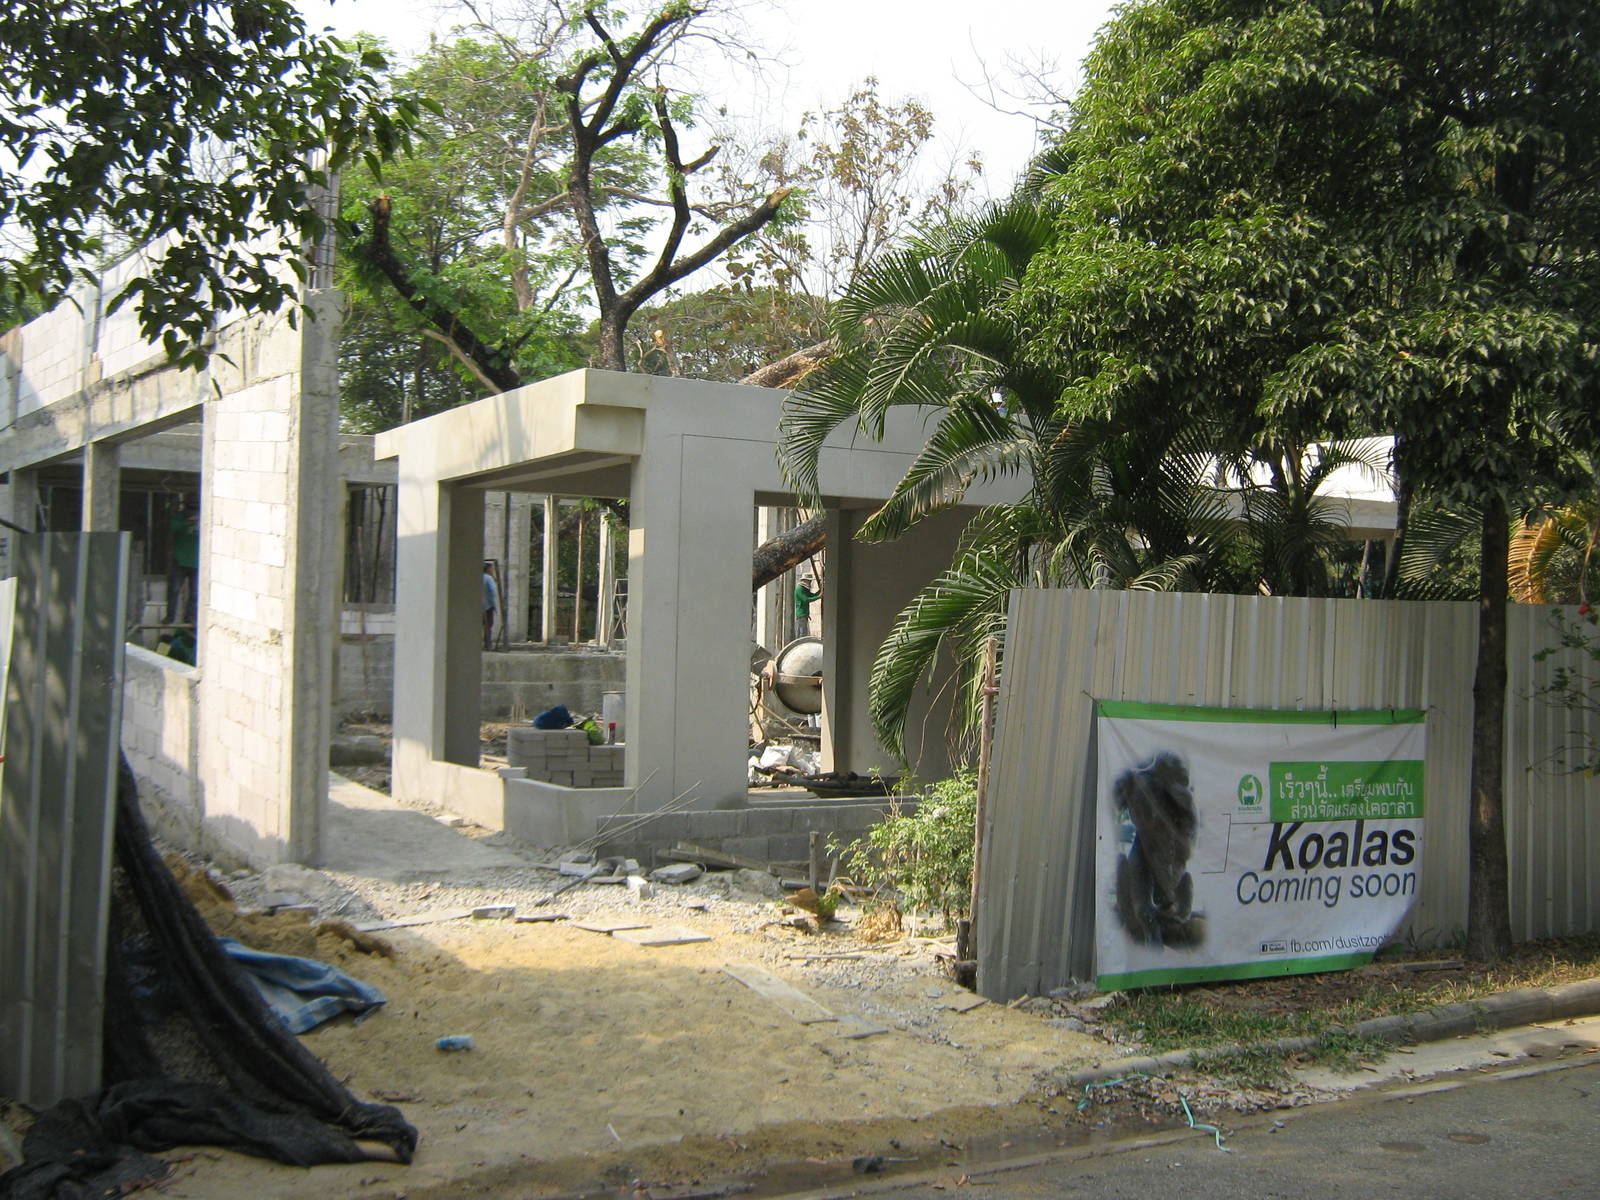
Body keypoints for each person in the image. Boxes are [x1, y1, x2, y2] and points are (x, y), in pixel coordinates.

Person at [166, 498, 199, 625]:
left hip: (197, 562)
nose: (192, 511)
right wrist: (187, 523)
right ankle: (170, 616)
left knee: (195, 593)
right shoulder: (180, 517)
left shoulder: (204, 518)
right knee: (174, 590)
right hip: (180, 560)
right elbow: (173, 526)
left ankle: (190, 617)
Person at [482, 562, 499, 650]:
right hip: (487, 605)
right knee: (488, 625)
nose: (493, 571)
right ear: (488, 569)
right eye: (492, 569)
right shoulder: (488, 578)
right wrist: (494, 605)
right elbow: (493, 592)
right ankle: (487, 645)